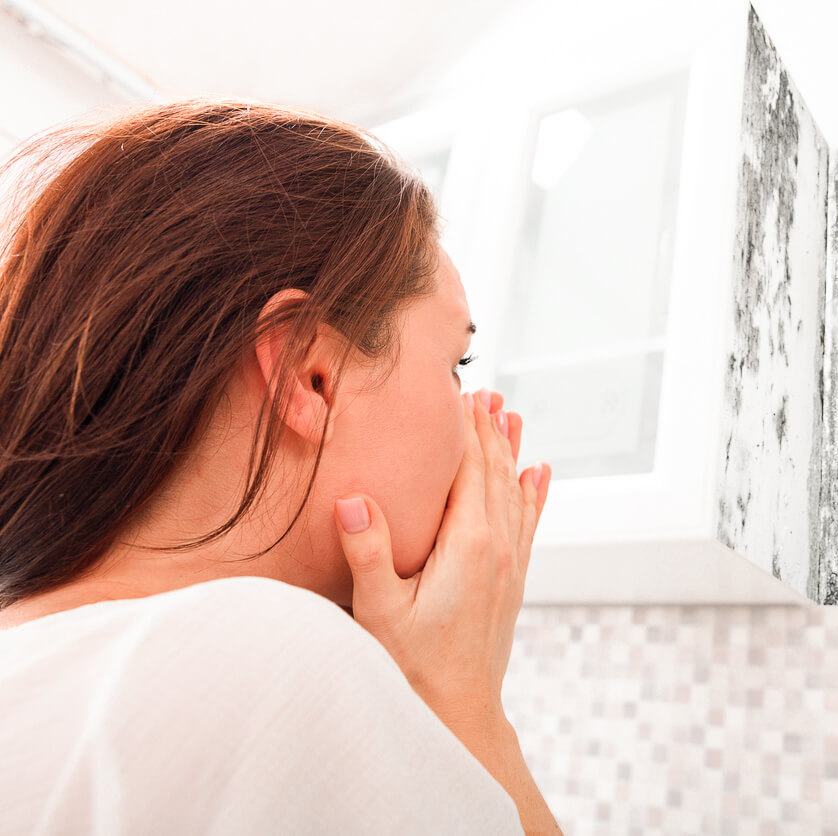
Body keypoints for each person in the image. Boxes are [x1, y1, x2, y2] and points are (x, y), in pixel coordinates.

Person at [0, 98, 564, 835]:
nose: (478, 416)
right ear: (310, 374)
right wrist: (467, 708)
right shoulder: (271, 658)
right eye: (456, 363)